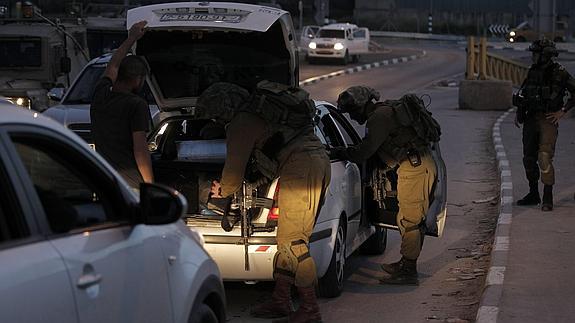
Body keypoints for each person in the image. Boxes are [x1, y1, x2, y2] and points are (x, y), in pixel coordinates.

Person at [197, 82, 330, 322]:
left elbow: (233, 172)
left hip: (301, 168)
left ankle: (310, 309)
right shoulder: (259, 114)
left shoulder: (242, 122)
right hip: (308, 162)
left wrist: (221, 190)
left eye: (216, 116)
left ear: (223, 108)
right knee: (286, 240)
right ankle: (281, 300)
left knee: (295, 243)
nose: (216, 122)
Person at [333, 86, 437, 286]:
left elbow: (365, 151)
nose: (353, 118)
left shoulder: (379, 118)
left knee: (410, 219)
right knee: (406, 217)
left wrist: (341, 153)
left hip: (415, 168)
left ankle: (408, 271)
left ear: (362, 106)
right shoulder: (384, 111)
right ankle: (406, 262)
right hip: (414, 165)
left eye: (353, 112)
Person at [90, 21, 154, 189]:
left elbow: (113, 65)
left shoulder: (100, 94)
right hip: (130, 184)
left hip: (104, 180)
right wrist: (150, 186)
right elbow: (140, 150)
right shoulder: (136, 105)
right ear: (137, 79)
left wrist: (131, 38)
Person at [514, 39, 575, 211]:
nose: (533, 56)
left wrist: (562, 111)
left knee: (544, 157)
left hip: (548, 119)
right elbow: (525, 94)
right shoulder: (532, 71)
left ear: (545, 55)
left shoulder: (560, 73)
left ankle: (548, 196)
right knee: (529, 159)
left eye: (536, 53)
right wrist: (519, 112)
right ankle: (533, 194)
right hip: (530, 118)